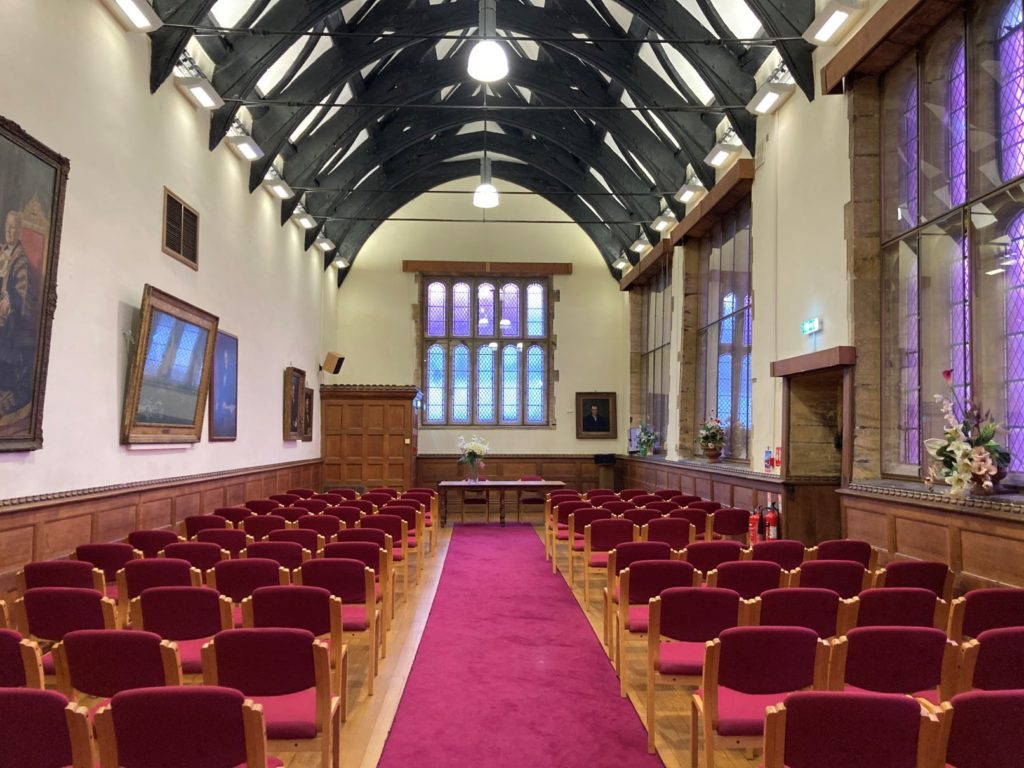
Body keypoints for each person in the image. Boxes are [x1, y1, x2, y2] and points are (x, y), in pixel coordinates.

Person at [0, 210, 33, 418]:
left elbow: (22, 293)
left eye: (14, 228)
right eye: (8, 227)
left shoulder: (21, 260)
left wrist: (8, 298)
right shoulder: (1, 251)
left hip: (11, 314)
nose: (10, 231)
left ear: (19, 231)